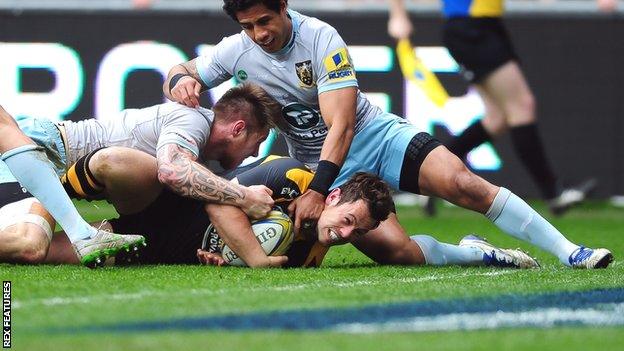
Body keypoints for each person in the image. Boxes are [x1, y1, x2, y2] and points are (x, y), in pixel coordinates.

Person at [164, 0, 612, 268]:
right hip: (322, 168)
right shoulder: (235, 50)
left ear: (283, 5)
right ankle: (476, 252)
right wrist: (180, 80)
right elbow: (182, 70)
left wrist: (318, 189)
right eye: (247, 26)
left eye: (265, 21)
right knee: (400, 253)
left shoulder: (322, 39)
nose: (258, 34)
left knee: (463, 184)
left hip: (375, 139)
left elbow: (342, 124)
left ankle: (571, 251)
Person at [45, 155, 539, 269]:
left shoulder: (319, 244)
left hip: (163, 249)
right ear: (333, 196)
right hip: (160, 211)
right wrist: (251, 259)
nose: (346, 234)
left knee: (402, 254)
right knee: (117, 163)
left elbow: (237, 253)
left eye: (355, 231)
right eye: (346, 220)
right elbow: (219, 199)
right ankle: (40, 191)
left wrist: (228, 262)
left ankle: (475, 252)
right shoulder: (288, 178)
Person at [0, 83, 281, 267]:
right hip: (44, 152)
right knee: (30, 245)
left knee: (41, 249)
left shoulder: (209, 162)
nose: (256, 153)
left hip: (63, 167)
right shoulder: (193, 120)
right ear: (238, 128)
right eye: (258, 140)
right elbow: (173, 172)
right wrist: (244, 196)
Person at [387, 0, 616, 215]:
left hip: (482, 25)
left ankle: (432, 174)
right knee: (522, 106)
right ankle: (553, 193)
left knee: (497, 118)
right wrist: (398, 15)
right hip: (471, 27)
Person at [0, 106, 144, 267]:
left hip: (27, 144)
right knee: (28, 243)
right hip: (26, 148)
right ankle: (83, 235)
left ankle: (83, 234)